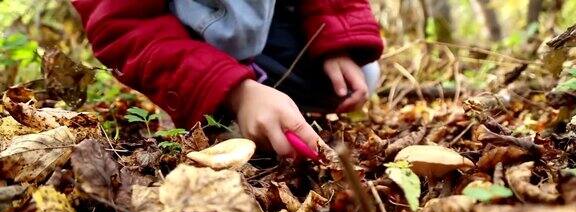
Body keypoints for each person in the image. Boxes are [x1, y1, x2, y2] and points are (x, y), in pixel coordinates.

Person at [72, 0, 384, 157]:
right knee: (222, 107)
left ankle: (267, 102)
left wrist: (334, 37)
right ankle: (217, 107)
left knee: (365, 74)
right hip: (187, 43)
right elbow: (124, 25)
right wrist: (237, 93)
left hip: (267, 30)